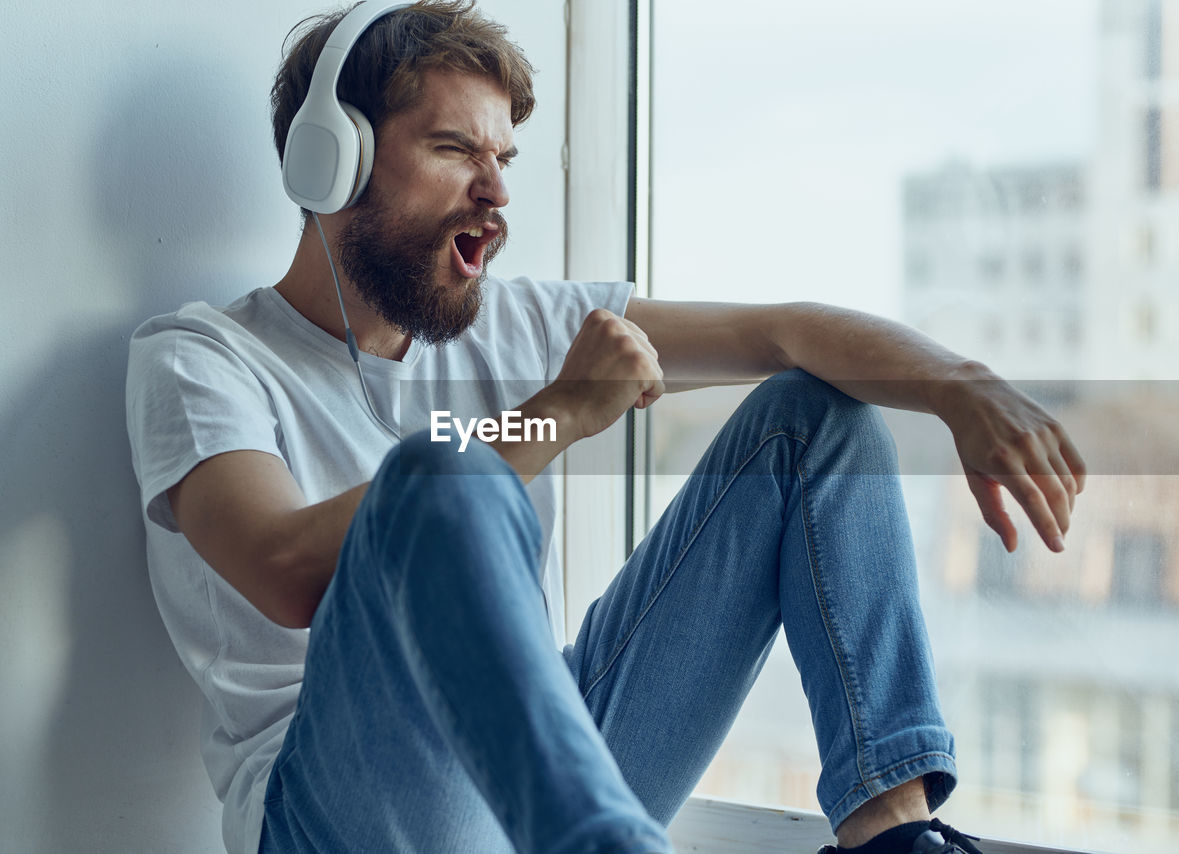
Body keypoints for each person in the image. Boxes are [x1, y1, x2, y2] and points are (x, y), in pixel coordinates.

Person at [125, 2, 1086, 853]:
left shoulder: (515, 321)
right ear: (334, 163)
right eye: (456, 150)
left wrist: (964, 387)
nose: (495, 192)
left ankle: (892, 835)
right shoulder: (201, 358)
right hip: (349, 813)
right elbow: (284, 567)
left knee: (811, 418)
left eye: (504, 159)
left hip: (541, 775)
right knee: (434, 477)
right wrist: (555, 415)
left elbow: (788, 331)